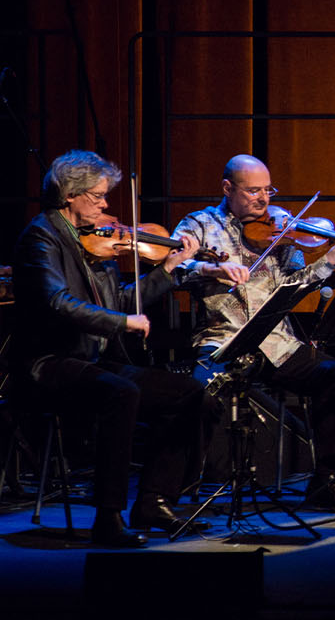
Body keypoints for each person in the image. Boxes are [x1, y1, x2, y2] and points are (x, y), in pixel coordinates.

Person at [11, 150, 209, 547]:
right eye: (98, 196)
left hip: (91, 359)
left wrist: (168, 269)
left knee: (188, 393)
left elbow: (118, 302)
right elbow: (57, 302)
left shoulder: (95, 241)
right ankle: (108, 516)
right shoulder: (41, 237)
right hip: (49, 363)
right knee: (122, 393)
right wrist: (122, 323)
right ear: (70, 195)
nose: (105, 205)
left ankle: (153, 501)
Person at [172, 154, 335, 513]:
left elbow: (296, 285)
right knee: (200, 393)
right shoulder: (200, 224)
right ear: (227, 188)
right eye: (253, 191)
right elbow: (173, 266)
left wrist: (331, 258)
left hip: (277, 343)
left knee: (331, 375)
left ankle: (326, 483)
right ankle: (183, 486)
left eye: (268, 190)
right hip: (223, 339)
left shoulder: (281, 230)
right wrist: (211, 269)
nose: (264, 200)